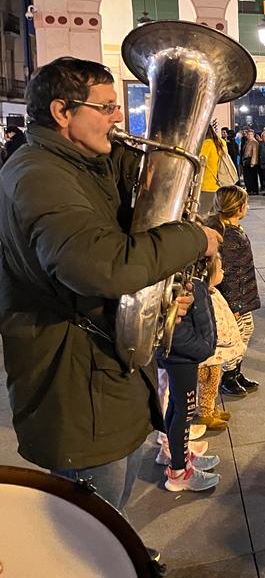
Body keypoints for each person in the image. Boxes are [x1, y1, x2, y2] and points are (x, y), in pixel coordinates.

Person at [0, 56, 220, 512]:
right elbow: (101, 267)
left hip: (101, 374)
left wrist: (158, 300)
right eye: (105, 107)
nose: (118, 118)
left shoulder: (80, 164)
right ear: (63, 112)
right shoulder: (39, 175)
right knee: (96, 526)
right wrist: (193, 237)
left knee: (110, 512)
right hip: (76, 386)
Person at [156, 255, 221, 492]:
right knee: (184, 410)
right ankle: (178, 472)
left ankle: (178, 456)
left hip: (181, 354)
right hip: (182, 355)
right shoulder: (184, 280)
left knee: (177, 405)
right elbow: (174, 327)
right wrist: (200, 347)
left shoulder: (186, 276)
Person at [206, 186, 261, 397]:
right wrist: (233, 305)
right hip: (235, 299)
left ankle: (236, 372)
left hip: (242, 294)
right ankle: (228, 377)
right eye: (245, 203)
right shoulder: (227, 236)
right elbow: (226, 274)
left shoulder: (232, 230)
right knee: (236, 336)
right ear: (238, 208)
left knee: (247, 331)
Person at [195, 252, 243, 432]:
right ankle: (205, 413)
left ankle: (211, 408)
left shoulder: (213, 292)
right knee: (209, 382)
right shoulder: (206, 297)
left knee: (213, 382)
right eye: (220, 268)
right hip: (210, 352)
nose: (223, 271)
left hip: (214, 350)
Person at [199, 123, 230, 215]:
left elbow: (200, 161)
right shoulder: (222, 142)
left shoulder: (207, 143)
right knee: (215, 215)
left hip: (207, 184)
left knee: (201, 215)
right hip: (220, 183)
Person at [240, 128, 260, 194]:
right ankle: (249, 189)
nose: (249, 136)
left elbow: (255, 153)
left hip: (251, 161)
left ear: (253, 135)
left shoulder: (254, 142)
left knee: (252, 176)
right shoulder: (247, 142)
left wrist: (253, 162)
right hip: (246, 161)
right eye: (248, 134)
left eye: (250, 134)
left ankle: (254, 190)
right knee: (247, 176)